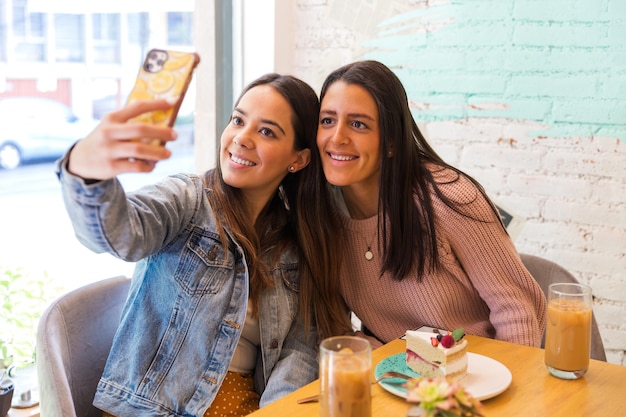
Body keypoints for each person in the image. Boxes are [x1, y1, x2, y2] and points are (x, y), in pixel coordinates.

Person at [56, 73, 346, 417]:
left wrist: (272, 413)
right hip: (155, 408)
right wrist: (86, 170)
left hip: (246, 406)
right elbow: (122, 234)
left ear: (298, 159)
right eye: (238, 120)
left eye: (266, 131)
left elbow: (299, 351)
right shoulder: (188, 199)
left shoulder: (298, 241)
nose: (241, 138)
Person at [315, 60, 547, 348]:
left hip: (481, 374)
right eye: (327, 120)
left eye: (358, 124)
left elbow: (517, 310)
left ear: (391, 142)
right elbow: (336, 327)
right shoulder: (320, 212)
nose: (337, 138)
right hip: (400, 378)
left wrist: (512, 386)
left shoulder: (448, 197)